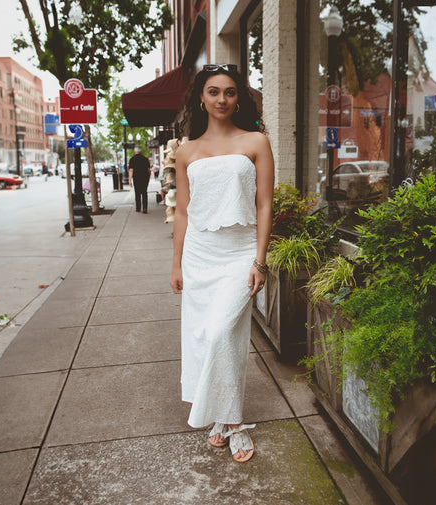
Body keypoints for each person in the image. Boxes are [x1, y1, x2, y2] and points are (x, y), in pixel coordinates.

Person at [169, 64, 274, 464]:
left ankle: (226, 419)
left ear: (238, 98)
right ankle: (228, 419)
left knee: (219, 332)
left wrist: (260, 261)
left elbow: (265, 204)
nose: (222, 99)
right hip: (199, 253)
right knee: (211, 339)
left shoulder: (256, 142)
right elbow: (183, 211)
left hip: (238, 252)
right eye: (214, 92)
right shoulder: (186, 151)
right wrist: (176, 264)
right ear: (201, 97)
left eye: (230, 92)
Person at [129, 146, 153, 213]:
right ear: (140, 151)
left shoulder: (132, 159)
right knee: (144, 193)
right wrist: (149, 177)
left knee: (137, 193)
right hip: (144, 178)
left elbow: (131, 170)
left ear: (135, 151)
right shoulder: (145, 159)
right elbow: (149, 170)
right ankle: (145, 208)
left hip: (136, 178)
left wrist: (130, 180)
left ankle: (138, 207)